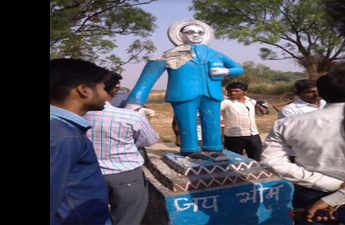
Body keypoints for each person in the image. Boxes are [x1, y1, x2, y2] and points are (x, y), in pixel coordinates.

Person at [124, 19, 243, 159]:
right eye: (190, 32)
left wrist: (225, 71)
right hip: (184, 93)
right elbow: (151, 73)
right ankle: (189, 149)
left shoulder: (215, 54)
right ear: (181, 35)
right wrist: (136, 100)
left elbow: (238, 68)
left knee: (213, 121)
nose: (196, 35)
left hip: (211, 92)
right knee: (186, 122)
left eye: (200, 32)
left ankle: (214, 147)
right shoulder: (173, 54)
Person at [260, 69, 345, 225]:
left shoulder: (287, 124)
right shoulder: (288, 119)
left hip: (310, 194)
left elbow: (271, 162)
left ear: (320, 93)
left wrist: (328, 184)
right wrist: (341, 193)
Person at [84, 72, 160, 225]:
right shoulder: (131, 117)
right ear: (114, 89)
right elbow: (150, 140)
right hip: (126, 176)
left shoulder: (78, 115)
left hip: (89, 174)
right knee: (128, 218)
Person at [50, 58, 112, 225]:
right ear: (84, 90)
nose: (107, 95)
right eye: (103, 88)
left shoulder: (61, 129)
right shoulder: (64, 136)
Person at [221, 82, 263, 161]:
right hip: (234, 137)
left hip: (253, 135)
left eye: (236, 91)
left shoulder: (250, 101)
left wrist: (261, 108)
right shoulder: (226, 102)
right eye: (230, 91)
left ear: (244, 92)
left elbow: (261, 107)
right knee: (235, 160)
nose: (233, 93)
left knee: (257, 159)